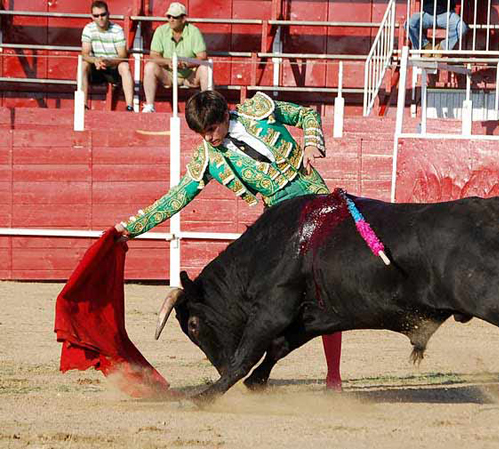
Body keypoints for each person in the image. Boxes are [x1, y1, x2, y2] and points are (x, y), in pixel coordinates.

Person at [114, 90, 343, 390]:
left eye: (211, 130)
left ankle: (333, 375)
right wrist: (132, 227)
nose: (208, 139)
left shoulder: (259, 109)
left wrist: (312, 144)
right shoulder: (208, 158)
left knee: (326, 286)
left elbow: (306, 114)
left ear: (224, 116)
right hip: (278, 216)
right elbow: (177, 197)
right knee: (274, 296)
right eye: (201, 133)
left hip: (313, 193)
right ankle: (261, 369)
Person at [142, 2, 210, 113]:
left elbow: (202, 57)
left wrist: (186, 64)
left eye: (175, 17)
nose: (171, 19)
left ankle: (208, 107)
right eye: (169, 16)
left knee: (205, 69)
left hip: (190, 75)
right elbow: (153, 55)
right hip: (168, 75)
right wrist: (168, 62)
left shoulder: (194, 31)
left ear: (183, 18)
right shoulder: (161, 31)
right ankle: (149, 106)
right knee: (150, 66)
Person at [81, 1, 134, 111]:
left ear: (108, 14)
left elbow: (123, 55)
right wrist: (95, 60)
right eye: (96, 15)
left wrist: (109, 62)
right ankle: (83, 105)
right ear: (92, 16)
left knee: (124, 66)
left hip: (113, 68)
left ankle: (129, 107)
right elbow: (85, 54)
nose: (100, 18)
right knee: (83, 65)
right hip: (96, 67)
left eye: (103, 14)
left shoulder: (117, 29)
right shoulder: (88, 29)